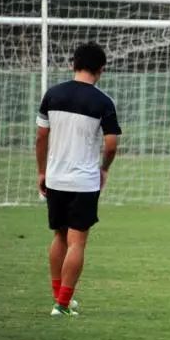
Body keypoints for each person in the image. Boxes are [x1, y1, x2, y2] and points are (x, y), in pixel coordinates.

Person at [35, 41, 121, 317]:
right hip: (84, 181)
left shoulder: (52, 95)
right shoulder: (103, 102)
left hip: (56, 178)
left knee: (59, 236)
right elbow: (110, 144)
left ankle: (58, 296)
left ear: (73, 64)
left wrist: (41, 171)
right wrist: (104, 169)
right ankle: (62, 304)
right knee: (77, 242)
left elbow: (41, 136)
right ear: (101, 70)